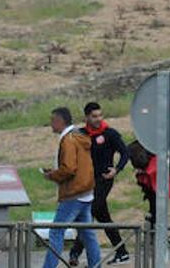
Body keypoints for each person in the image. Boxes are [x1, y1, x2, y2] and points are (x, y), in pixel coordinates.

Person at [67, 102, 131, 266]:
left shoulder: (110, 134)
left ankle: (75, 252)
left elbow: (125, 152)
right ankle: (122, 251)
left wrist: (116, 170)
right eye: (94, 116)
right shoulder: (80, 134)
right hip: (86, 181)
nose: (98, 119)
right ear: (86, 117)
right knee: (103, 217)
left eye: (100, 115)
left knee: (90, 212)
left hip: (104, 180)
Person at [39, 106, 99, 268]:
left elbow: (69, 168)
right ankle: (96, 265)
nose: (51, 124)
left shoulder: (68, 140)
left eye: (52, 120)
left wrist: (52, 175)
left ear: (60, 121)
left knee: (56, 232)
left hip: (73, 193)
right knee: (88, 234)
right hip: (86, 192)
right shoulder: (79, 136)